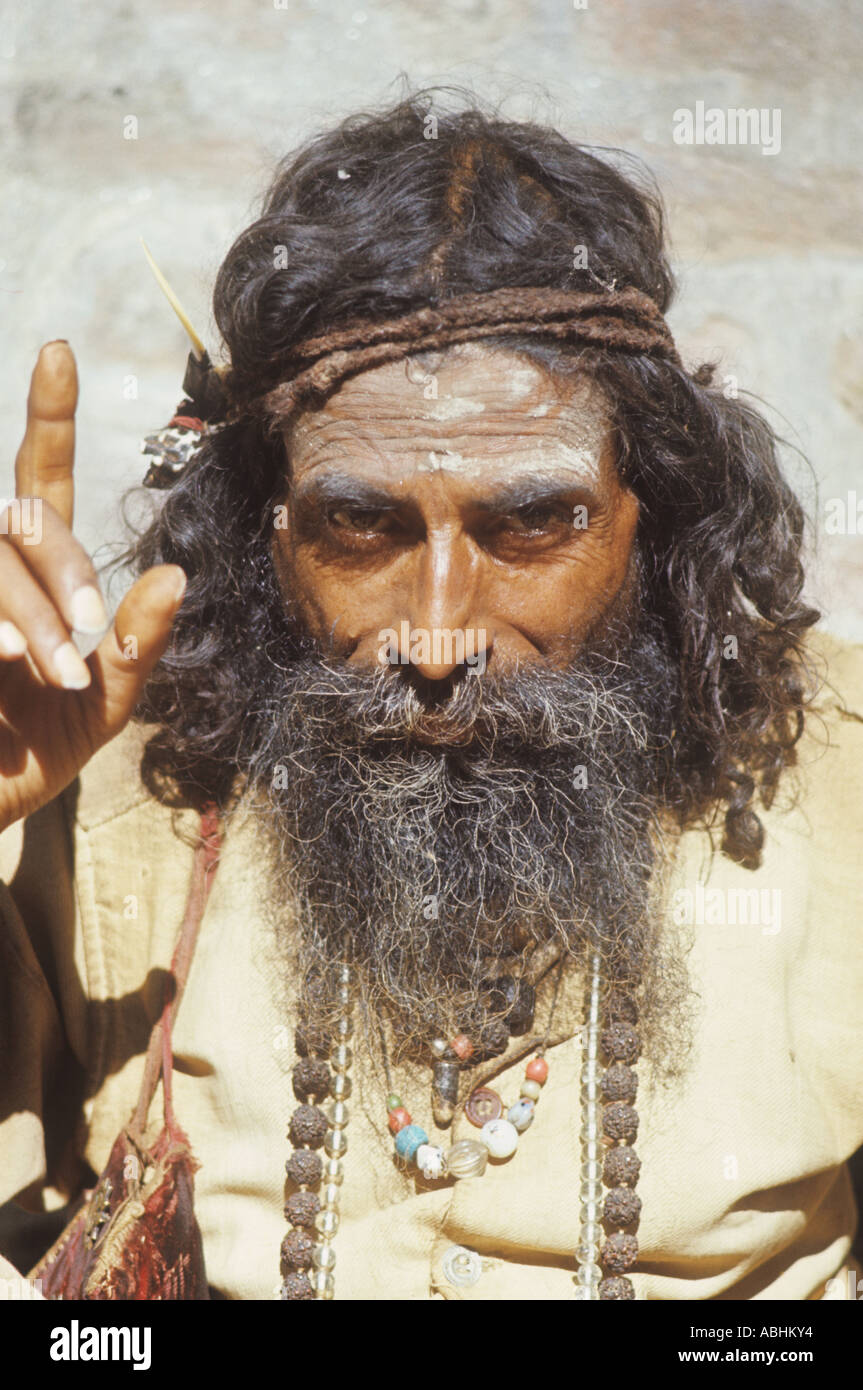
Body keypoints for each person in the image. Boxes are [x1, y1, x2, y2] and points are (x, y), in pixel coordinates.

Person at [1, 94, 861, 1302]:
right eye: (361, 523)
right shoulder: (113, 794)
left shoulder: (837, 775)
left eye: (531, 522)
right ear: (266, 535)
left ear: (650, 514)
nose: (439, 632)